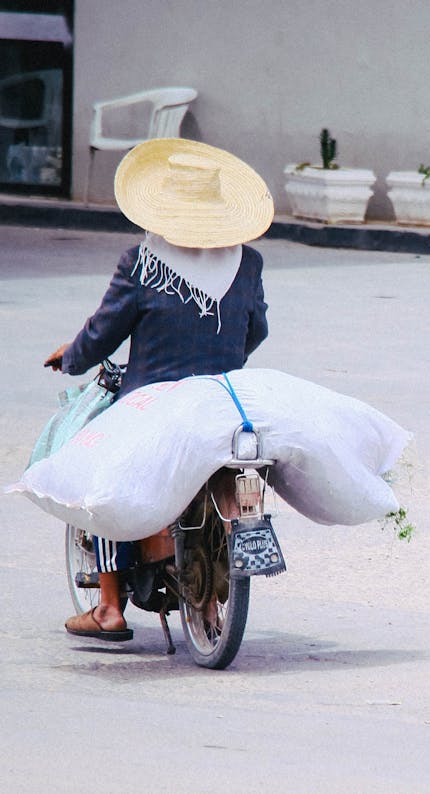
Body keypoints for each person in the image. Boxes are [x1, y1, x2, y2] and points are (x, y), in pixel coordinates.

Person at [44, 137, 274, 642]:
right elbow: (255, 331)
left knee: (97, 477)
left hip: (150, 401)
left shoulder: (143, 264)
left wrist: (72, 357)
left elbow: (103, 332)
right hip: (223, 399)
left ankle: (108, 608)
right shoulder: (248, 263)